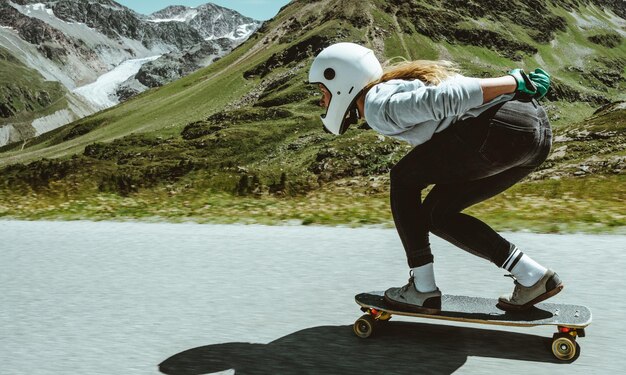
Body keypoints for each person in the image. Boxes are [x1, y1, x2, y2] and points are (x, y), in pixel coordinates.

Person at [308, 42, 563, 314]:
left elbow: (449, 98)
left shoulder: (376, 104)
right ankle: (533, 276)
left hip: (501, 131)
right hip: (534, 138)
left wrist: (512, 81)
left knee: (404, 178)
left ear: (341, 83)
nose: (322, 102)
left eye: (322, 92)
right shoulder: (393, 89)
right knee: (437, 215)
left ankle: (423, 288)